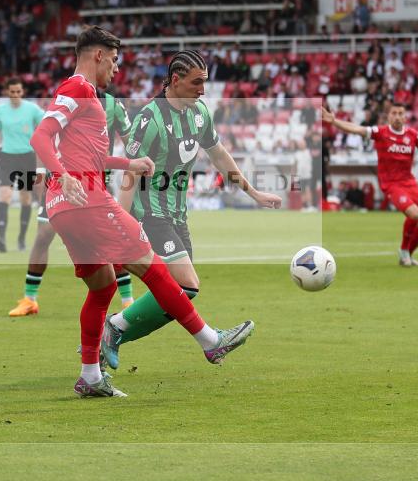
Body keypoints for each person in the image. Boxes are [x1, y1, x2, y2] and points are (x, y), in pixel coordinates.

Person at [29, 26, 255, 398]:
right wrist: (64, 174)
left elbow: (93, 155)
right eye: (114, 60)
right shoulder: (78, 88)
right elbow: (40, 136)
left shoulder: (91, 99)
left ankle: (90, 376)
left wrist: (126, 163)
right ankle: (210, 340)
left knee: (101, 288)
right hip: (84, 198)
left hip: (62, 207)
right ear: (98, 55)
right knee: (153, 267)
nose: (117, 69)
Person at [100, 50, 282, 371]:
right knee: (184, 285)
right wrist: (122, 225)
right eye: (197, 82)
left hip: (178, 216)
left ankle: (113, 330)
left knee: (184, 292)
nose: (203, 89)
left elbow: (219, 154)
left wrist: (253, 192)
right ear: (175, 80)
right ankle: (210, 343)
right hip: (150, 215)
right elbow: (129, 175)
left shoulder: (199, 113)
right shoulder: (149, 119)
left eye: (205, 82)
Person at [8, 88, 136, 317]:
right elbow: (44, 135)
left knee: (113, 240)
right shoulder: (69, 97)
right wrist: (39, 173)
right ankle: (30, 299)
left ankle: (128, 301)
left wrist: (134, 166)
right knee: (43, 235)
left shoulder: (113, 105)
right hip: (61, 179)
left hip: (96, 182)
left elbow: (131, 142)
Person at [322, 103, 418, 267]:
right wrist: (335, 121)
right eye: (394, 113)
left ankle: (408, 254)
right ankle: (403, 252)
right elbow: (356, 129)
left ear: (405, 116)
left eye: (400, 113)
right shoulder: (380, 132)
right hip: (391, 184)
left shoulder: (413, 135)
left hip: (409, 182)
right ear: (388, 116)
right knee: (415, 215)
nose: (397, 116)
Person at [0, 79, 44, 252]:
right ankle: (1, 239)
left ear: (22, 92)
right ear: (7, 92)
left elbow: (45, 128)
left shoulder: (32, 109)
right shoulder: (0, 111)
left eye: (18, 91)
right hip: (7, 156)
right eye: (12, 92)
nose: (15, 95)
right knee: (5, 195)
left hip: (27, 157)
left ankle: (21, 238)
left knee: (25, 198)